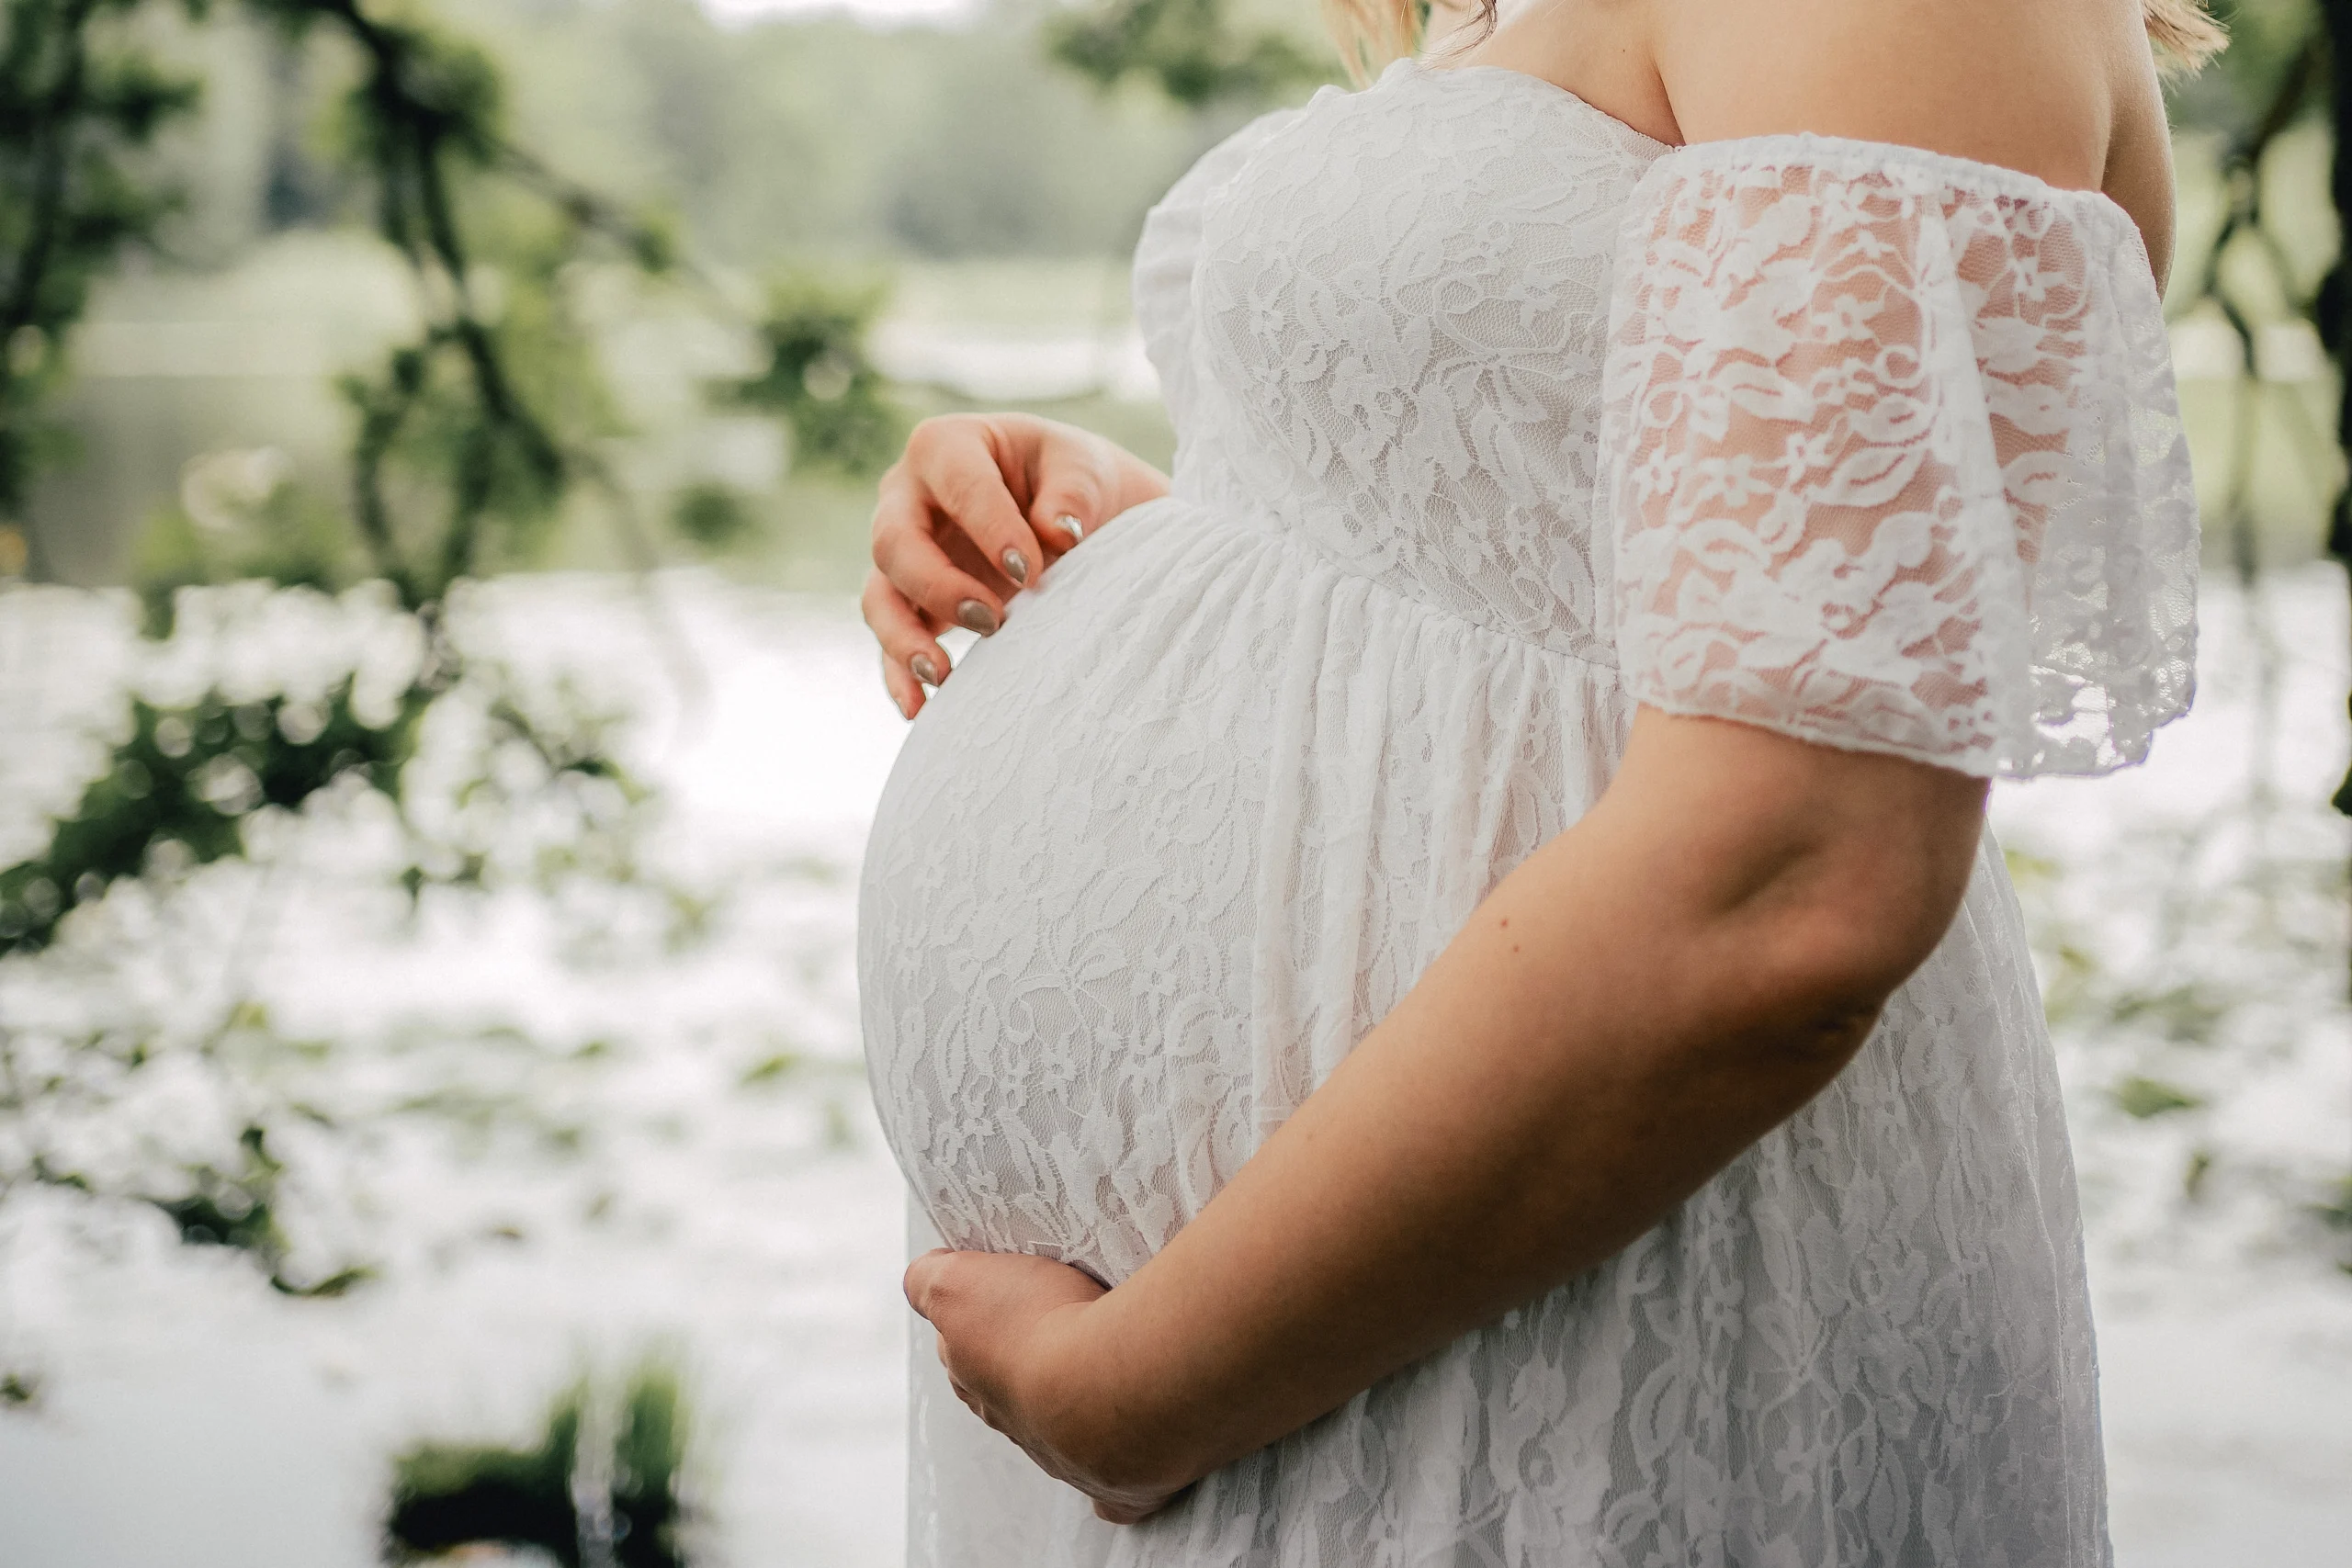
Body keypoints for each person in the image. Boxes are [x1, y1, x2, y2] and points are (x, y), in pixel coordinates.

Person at [854, 0, 2219, 1561]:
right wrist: (1173, 527)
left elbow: (1799, 878)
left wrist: (1136, 1392)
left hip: (1527, 1325)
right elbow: (1544, 579)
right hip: (1278, 1354)